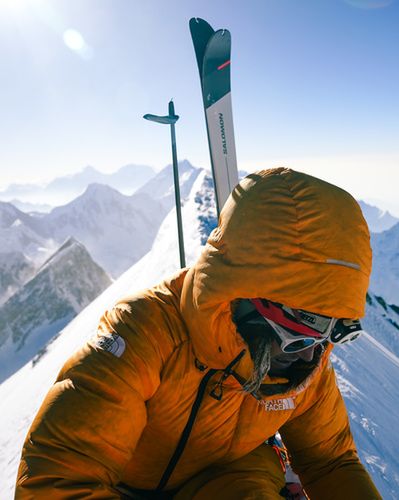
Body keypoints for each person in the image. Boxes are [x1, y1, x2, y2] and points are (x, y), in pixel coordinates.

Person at [16, 168, 381, 499]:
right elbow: (56, 483)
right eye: (297, 337)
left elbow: (331, 463)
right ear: (244, 297)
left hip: (231, 477)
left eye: (329, 337)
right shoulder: (144, 332)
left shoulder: (308, 365)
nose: (310, 358)